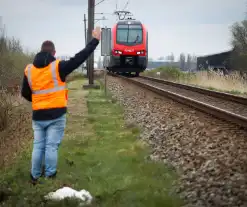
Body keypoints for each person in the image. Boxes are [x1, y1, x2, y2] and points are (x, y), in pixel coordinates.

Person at [21, 27, 101, 185]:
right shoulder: (58, 67)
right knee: (51, 146)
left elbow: (25, 93)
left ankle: (34, 177)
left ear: (40, 51)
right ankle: (50, 176)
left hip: (38, 115)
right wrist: (95, 41)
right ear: (54, 53)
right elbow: (79, 58)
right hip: (56, 115)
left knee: (38, 146)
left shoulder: (29, 70)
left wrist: (39, 101)